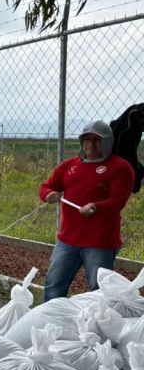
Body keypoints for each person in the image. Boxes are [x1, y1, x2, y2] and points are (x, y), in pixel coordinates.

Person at [39, 121, 134, 300]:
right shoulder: (69, 166)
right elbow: (46, 186)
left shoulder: (120, 168)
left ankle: (96, 325)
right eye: (86, 139)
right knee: (53, 286)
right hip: (67, 240)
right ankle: (50, 323)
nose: (90, 143)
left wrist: (96, 206)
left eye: (96, 139)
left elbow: (117, 201)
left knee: (99, 292)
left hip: (100, 243)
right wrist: (49, 194)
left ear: (107, 142)